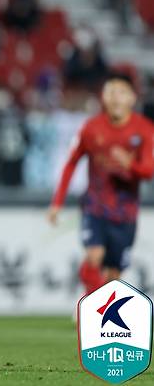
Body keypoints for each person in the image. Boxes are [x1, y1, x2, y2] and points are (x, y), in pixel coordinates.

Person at [48, 74, 154, 298]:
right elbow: (71, 163)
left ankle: (96, 305)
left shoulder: (144, 129)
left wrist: (129, 164)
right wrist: (57, 202)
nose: (116, 98)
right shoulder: (91, 128)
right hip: (95, 207)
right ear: (103, 97)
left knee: (113, 275)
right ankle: (89, 302)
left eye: (121, 93)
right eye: (111, 92)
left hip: (125, 213)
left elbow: (148, 171)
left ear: (132, 98)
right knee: (94, 256)